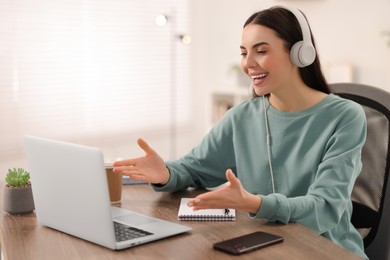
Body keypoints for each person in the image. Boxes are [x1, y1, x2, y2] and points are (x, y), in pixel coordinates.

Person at [113, 6, 367, 259]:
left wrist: (254, 203)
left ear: (300, 53)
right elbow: (194, 168)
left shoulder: (345, 116)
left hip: (327, 251)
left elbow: (325, 210)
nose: (248, 64)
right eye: (244, 53)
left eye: (262, 51)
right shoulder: (242, 116)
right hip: (266, 247)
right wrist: (165, 174)